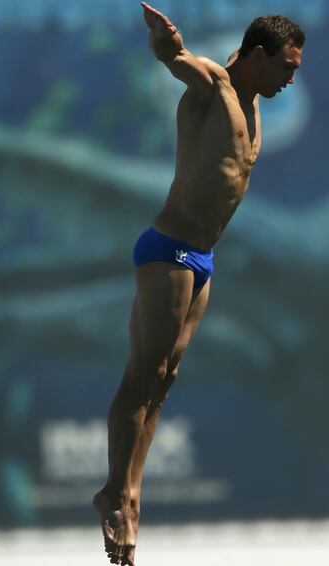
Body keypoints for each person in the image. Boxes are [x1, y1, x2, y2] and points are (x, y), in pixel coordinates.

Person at [94, 3, 305, 565]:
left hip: (202, 260)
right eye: (287, 66)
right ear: (257, 56)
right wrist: (168, 41)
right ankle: (115, 495)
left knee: (164, 379)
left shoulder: (256, 106)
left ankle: (131, 494)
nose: (292, 78)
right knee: (141, 375)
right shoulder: (215, 85)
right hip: (168, 250)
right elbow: (175, 59)